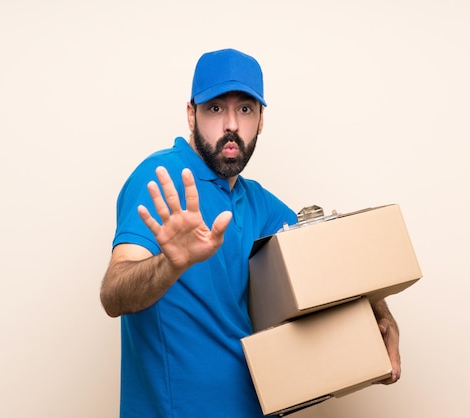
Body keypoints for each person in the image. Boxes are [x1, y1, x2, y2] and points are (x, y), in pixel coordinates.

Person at [100, 48, 401, 418]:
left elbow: (329, 266)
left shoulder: (258, 202)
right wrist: (170, 265)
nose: (231, 124)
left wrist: (382, 316)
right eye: (215, 108)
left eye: (245, 109)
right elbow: (113, 294)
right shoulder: (162, 176)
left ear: (260, 121)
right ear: (191, 114)